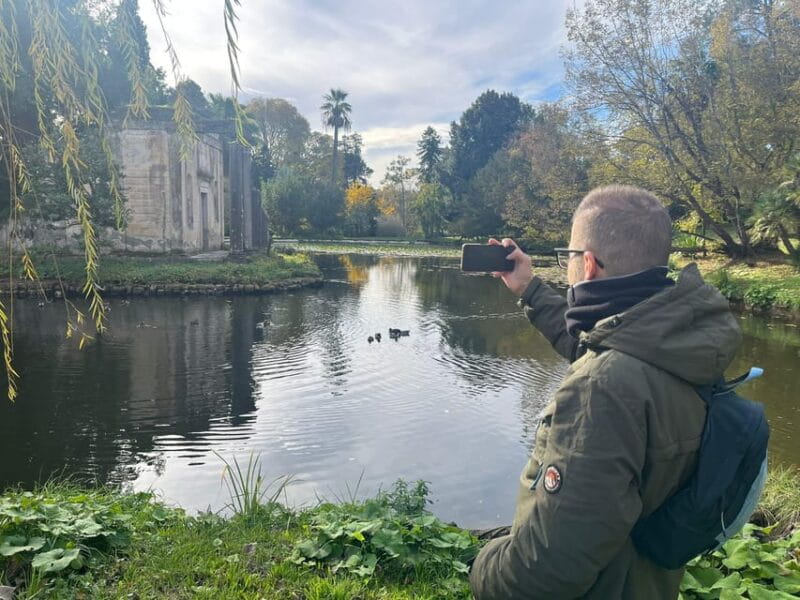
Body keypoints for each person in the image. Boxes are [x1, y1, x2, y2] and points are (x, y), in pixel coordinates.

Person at [468, 185, 742, 599]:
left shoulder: (602, 391)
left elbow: (545, 572)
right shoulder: (677, 345)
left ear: (589, 264)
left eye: (568, 256)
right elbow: (596, 345)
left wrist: (483, 566)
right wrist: (529, 288)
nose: (568, 266)